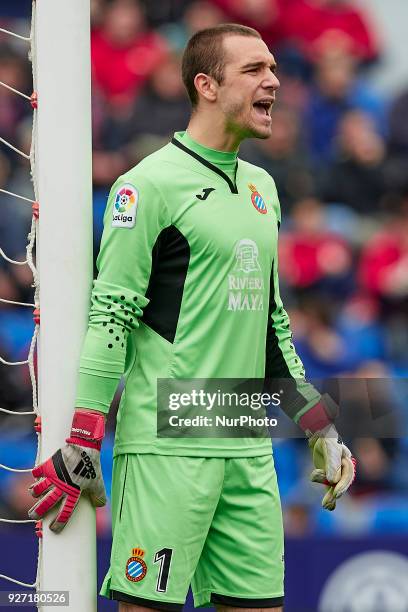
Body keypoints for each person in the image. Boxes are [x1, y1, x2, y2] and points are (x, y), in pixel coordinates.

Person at [27, 24, 355, 612]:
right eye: (254, 70)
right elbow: (113, 313)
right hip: (166, 446)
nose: (274, 81)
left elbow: (271, 326)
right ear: (206, 84)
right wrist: (84, 436)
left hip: (246, 443)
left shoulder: (263, 188)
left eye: (275, 69)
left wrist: (321, 426)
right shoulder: (147, 186)